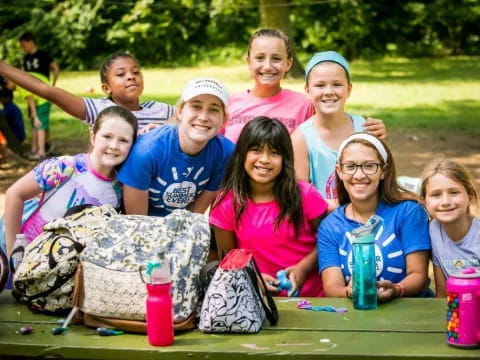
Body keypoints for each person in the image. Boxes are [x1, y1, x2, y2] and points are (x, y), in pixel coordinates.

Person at [210, 116, 328, 297]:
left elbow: (329, 241)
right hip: (256, 304)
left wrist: (303, 268)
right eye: (256, 150)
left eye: (274, 153)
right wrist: (252, 277)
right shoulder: (226, 204)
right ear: (242, 154)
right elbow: (228, 258)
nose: (265, 159)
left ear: (285, 158)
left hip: (313, 300)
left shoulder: (305, 194)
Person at [4, 105, 138, 256]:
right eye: (107, 136)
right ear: (93, 137)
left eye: (123, 140)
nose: (114, 146)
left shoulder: (122, 189)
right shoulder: (64, 167)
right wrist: (14, 250)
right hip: (28, 260)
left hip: (72, 273)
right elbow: (15, 194)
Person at [318, 133, 431, 302]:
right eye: (350, 166)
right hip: (356, 316)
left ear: (383, 171)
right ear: (339, 171)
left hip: (409, 316)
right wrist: (351, 292)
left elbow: (418, 276)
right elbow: (332, 287)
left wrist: (396, 290)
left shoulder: (408, 212)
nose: (359, 175)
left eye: (369, 166)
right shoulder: (330, 226)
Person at [117, 78, 235, 217]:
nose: (203, 117)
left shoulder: (225, 153)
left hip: (183, 226)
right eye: (196, 106)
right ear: (179, 111)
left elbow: (196, 216)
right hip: (141, 227)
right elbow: (136, 220)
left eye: (213, 109)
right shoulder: (146, 152)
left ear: (224, 119)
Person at [291, 51, 386, 210]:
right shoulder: (301, 138)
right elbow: (301, 197)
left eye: (337, 84)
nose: (329, 91)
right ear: (307, 90)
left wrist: (381, 143)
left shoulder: (365, 128)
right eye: (320, 85)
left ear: (348, 89)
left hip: (368, 219)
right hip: (323, 224)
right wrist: (345, 206)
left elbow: (380, 178)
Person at [0, 52, 174, 131]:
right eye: (121, 74)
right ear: (107, 88)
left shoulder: (160, 110)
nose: (131, 77)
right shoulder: (100, 109)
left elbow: (193, 111)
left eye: (136, 72)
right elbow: (46, 91)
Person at [224, 28, 314, 143]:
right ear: (249, 62)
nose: (267, 66)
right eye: (260, 58)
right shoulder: (228, 104)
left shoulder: (305, 105)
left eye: (276, 59)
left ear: (288, 64)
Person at [420, 157, 480, 297]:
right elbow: (442, 294)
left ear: (470, 196)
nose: (445, 202)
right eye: (436, 195)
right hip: (456, 313)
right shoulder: (433, 231)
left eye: (454, 192)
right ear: (424, 201)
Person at [0, 76, 25, 156]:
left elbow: (3, 118)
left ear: (7, 98)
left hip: (17, 135)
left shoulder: (8, 108)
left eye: (2, 98)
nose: (1, 101)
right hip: (21, 135)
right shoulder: (13, 107)